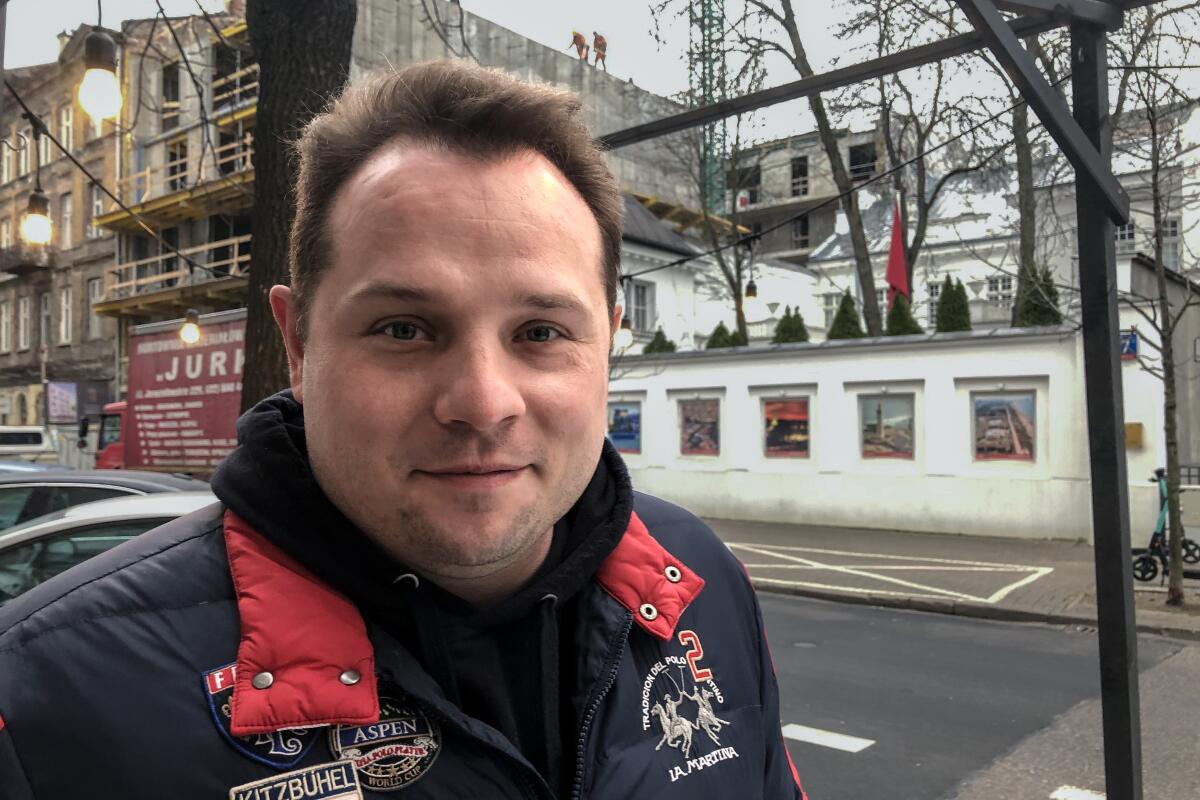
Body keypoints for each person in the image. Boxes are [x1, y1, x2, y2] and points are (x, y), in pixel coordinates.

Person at [0, 61, 806, 799]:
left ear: (607, 341)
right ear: (298, 345)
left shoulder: (702, 580)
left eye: (541, 333)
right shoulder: (44, 703)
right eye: (404, 330)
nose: (484, 403)